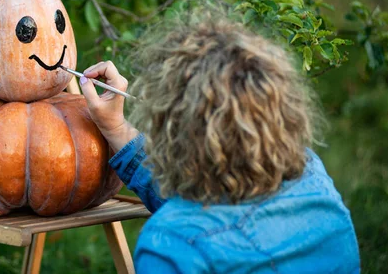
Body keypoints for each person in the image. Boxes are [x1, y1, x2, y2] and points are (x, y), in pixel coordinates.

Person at [77, 17, 360, 273]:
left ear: (173, 129)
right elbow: (204, 212)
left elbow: (195, 223)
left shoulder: (173, 248)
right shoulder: (312, 176)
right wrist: (115, 128)